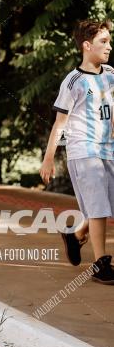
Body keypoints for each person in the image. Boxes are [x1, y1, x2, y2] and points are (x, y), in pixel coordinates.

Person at [41, 19, 114, 284]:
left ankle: (74, 235)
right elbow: (59, 124)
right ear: (86, 45)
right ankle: (101, 264)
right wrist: (48, 159)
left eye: (108, 41)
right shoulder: (73, 82)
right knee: (97, 208)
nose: (109, 46)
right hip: (83, 151)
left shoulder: (110, 74)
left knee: (106, 207)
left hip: (109, 150)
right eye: (103, 42)